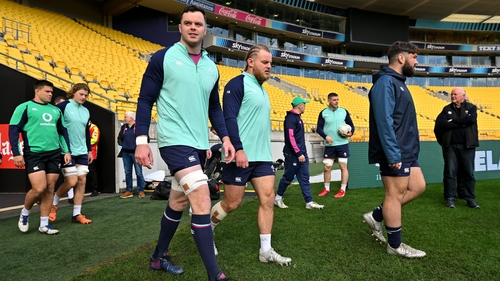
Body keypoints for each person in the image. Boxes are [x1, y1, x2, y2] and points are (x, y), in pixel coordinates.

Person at [134, 5, 235, 280]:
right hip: (174, 141)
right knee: (201, 198)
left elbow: (215, 108)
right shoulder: (163, 58)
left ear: (205, 29)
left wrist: (225, 137)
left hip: (198, 144)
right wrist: (141, 141)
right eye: (187, 23)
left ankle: (157, 258)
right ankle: (216, 276)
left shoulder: (211, 67)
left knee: (178, 202)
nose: (193, 27)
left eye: (198, 24)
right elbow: (145, 100)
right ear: (180, 27)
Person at [210, 44, 292, 266]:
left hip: (263, 158)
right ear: (250, 61)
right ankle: (206, 228)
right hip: (240, 155)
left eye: (270, 63)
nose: (269, 67)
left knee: (267, 199)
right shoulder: (237, 84)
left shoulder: (262, 88)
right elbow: (229, 118)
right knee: (231, 203)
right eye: (265, 62)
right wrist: (238, 148)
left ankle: (265, 251)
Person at [362, 41, 426, 258]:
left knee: (418, 186)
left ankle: (377, 216)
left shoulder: (399, 81)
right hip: (395, 151)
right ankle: (395, 245)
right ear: (402, 58)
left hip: (406, 150)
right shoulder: (385, 82)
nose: (416, 61)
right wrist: (392, 153)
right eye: (414, 57)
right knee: (394, 194)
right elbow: (384, 121)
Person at [10, 80, 71, 234]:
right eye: (47, 91)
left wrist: (67, 151)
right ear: (37, 91)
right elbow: (13, 131)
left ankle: (44, 224)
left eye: (51, 92)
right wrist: (16, 154)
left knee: (50, 188)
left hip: (54, 154)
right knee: (39, 188)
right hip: (34, 153)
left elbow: (62, 132)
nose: (50, 94)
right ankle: (25, 213)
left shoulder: (56, 110)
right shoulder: (24, 107)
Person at [50, 83, 93, 225]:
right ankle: (54, 202)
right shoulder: (63, 106)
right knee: (71, 181)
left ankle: (77, 214)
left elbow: (86, 132)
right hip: (66, 150)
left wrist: (89, 150)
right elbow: (55, 127)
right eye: (81, 94)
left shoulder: (86, 111)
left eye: (86, 95)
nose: (83, 97)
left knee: (82, 181)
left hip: (82, 151)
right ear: (73, 92)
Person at [274, 96, 324, 210]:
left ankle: (309, 202)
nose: (305, 106)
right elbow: (290, 138)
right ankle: (277, 198)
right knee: (288, 177)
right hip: (294, 155)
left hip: (301, 153)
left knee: (305, 178)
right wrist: (298, 153)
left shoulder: (297, 118)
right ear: (299, 105)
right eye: (304, 104)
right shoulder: (291, 119)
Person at [434, 88, 480, 209]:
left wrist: (453, 121)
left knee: (469, 173)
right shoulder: (446, 109)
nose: (452, 96)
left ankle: (470, 198)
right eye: (452, 94)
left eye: (455, 94)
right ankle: (450, 198)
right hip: (450, 146)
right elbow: (442, 123)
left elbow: (470, 119)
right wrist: (461, 123)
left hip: (467, 146)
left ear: (463, 96)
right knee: (450, 172)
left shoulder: (471, 108)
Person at [316, 93, 355, 198]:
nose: (336, 101)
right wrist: (325, 136)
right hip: (330, 144)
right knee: (327, 167)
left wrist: (350, 133)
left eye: (337, 99)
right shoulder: (323, 113)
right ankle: (326, 188)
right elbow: (319, 128)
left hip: (342, 144)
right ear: (329, 101)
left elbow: (351, 125)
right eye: (334, 100)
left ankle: (342, 190)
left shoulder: (344, 111)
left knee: (343, 166)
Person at [118, 112, 145, 199]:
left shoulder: (138, 127)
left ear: (131, 118)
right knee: (128, 172)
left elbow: (144, 138)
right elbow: (119, 138)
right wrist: (123, 145)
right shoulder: (124, 127)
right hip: (126, 153)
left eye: (126, 117)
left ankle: (140, 190)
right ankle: (128, 190)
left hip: (136, 153)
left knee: (139, 172)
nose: (124, 118)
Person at [54, 95, 74, 203]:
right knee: (50, 178)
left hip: (65, 150)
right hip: (52, 150)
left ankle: (71, 197)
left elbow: (63, 134)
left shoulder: (67, 118)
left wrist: (67, 150)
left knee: (70, 177)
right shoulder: (52, 116)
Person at [88, 121, 100, 196]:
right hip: (82, 152)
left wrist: (84, 143)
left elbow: (94, 139)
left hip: (92, 153)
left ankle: (95, 189)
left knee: (92, 172)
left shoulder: (94, 128)